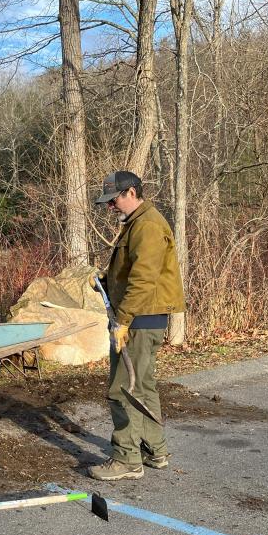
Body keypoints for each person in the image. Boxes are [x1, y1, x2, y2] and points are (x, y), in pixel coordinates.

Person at [88, 171, 184, 481]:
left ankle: (126, 459)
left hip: (140, 319)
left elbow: (144, 280)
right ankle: (154, 450)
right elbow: (133, 273)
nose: (110, 207)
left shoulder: (148, 225)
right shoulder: (139, 223)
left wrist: (123, 321)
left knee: (122, 389)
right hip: (142, 316)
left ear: (131, 192)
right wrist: (107, 281)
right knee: (142, 386)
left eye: (113, 200)